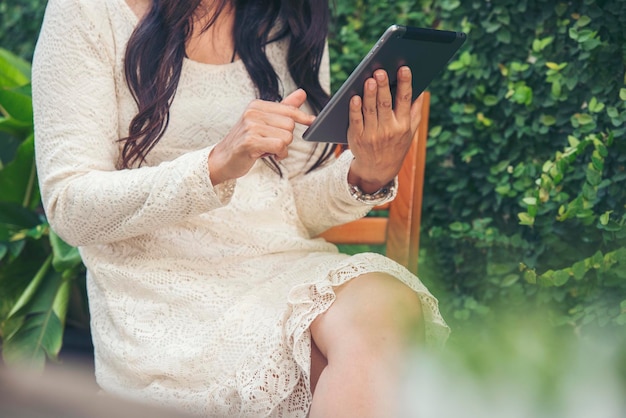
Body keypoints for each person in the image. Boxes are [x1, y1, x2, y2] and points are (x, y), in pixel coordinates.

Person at [32, 0, 450, 417]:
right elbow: (69, 206)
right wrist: (213, 165)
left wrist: (367, 174)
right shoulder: (86, 11)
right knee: (337, 368)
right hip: (162, 300)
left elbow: (293, 204)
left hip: (280, 271)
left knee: (386, 306)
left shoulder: (292, 14)